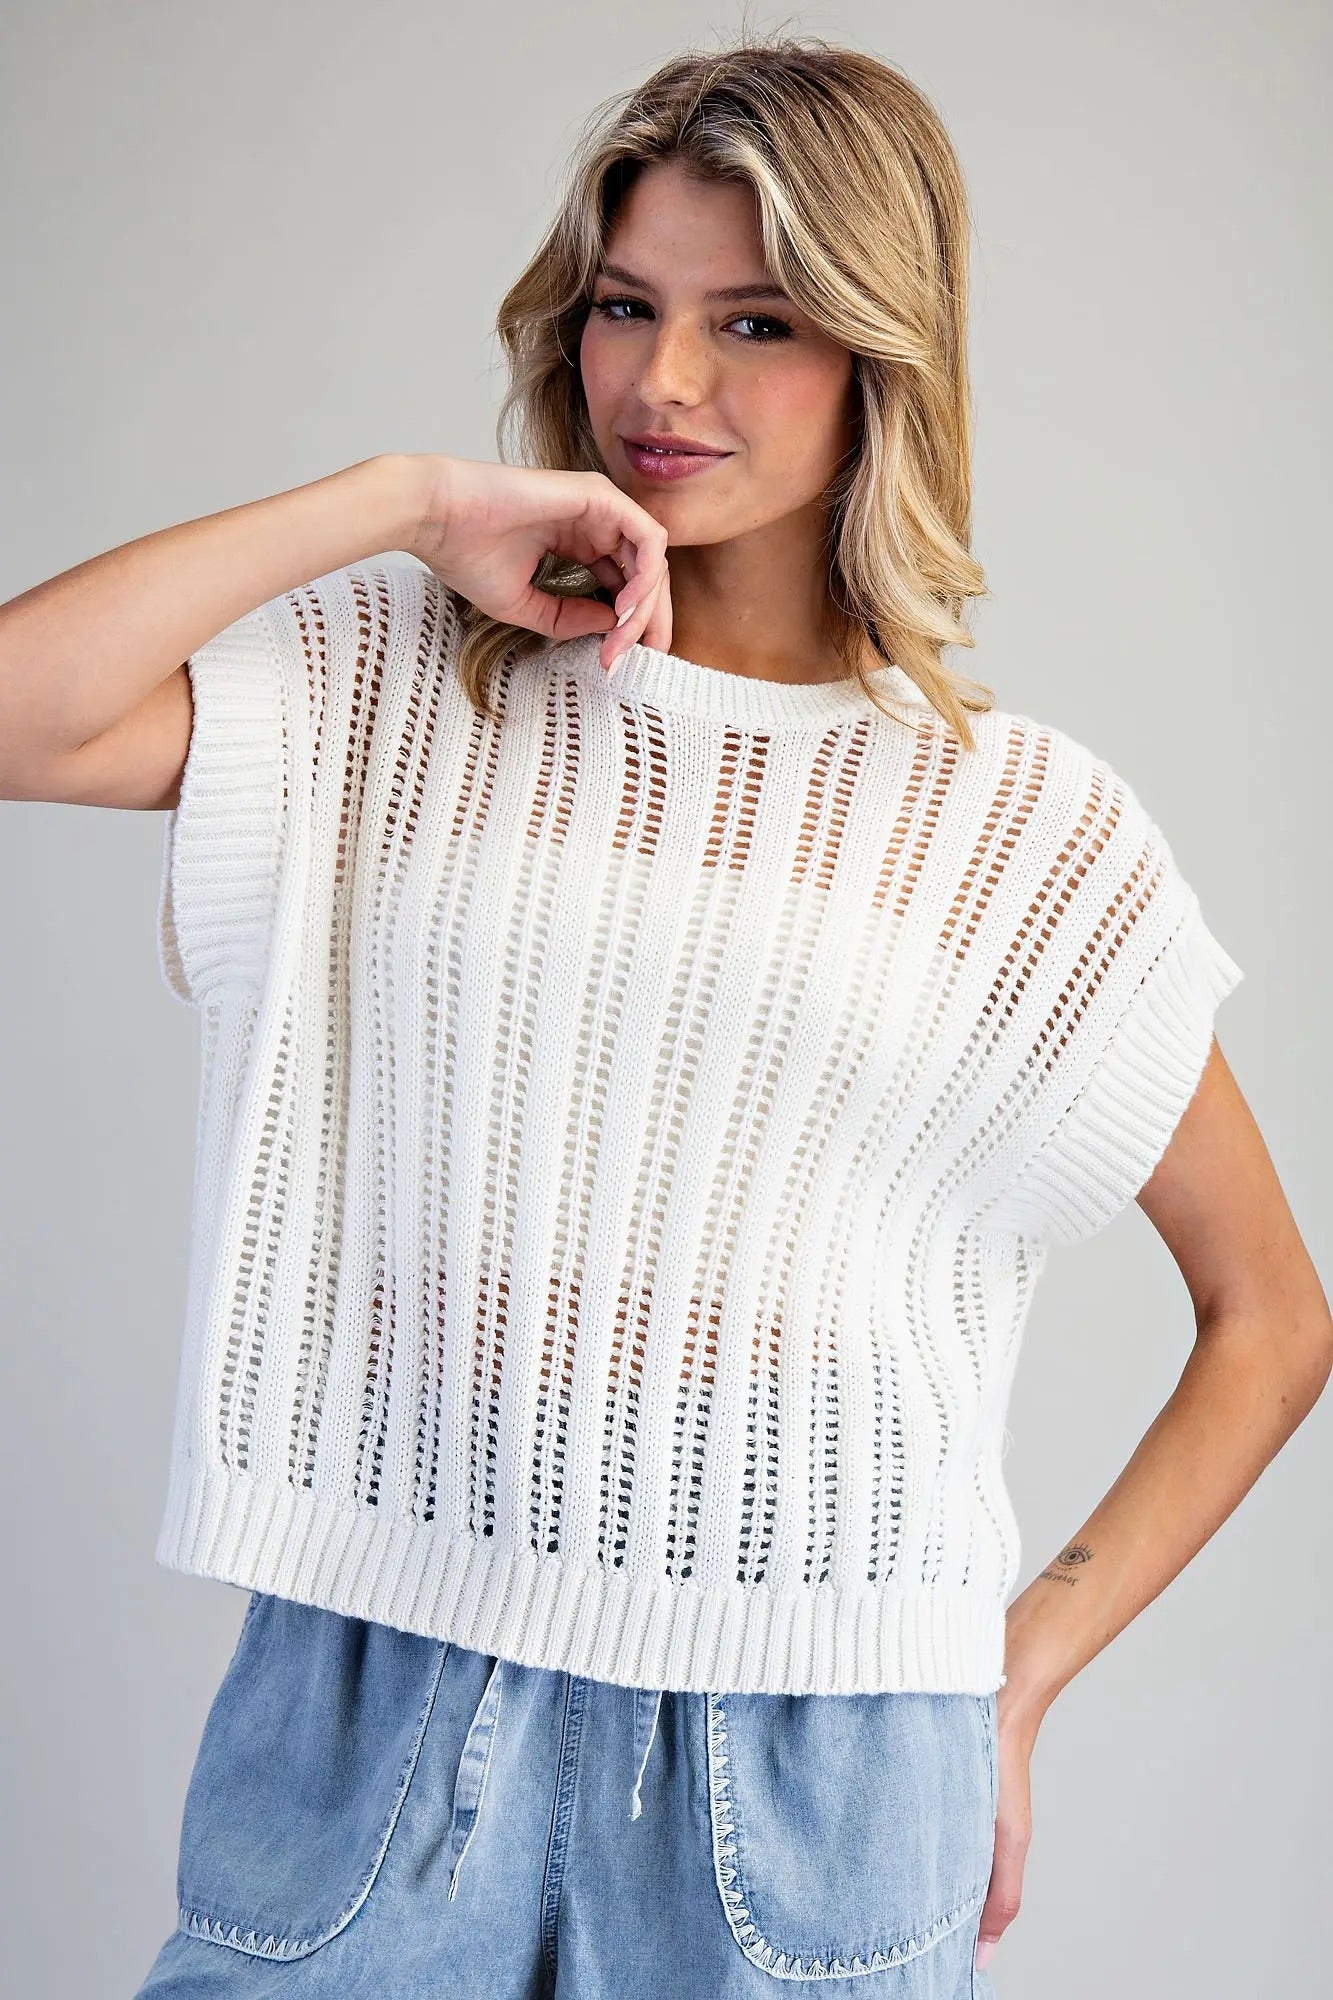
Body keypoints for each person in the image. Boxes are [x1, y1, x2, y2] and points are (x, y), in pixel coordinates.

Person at [1, 32, 1326, 2000]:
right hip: (381, 1693)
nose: (662, 382)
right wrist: (402, 498)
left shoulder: (1024, 830)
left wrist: (1022, 1668)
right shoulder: (408, 681)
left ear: (879, 353)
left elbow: (1271, 1315)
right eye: (625, 306)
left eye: (753, 321)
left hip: (815, 1764)